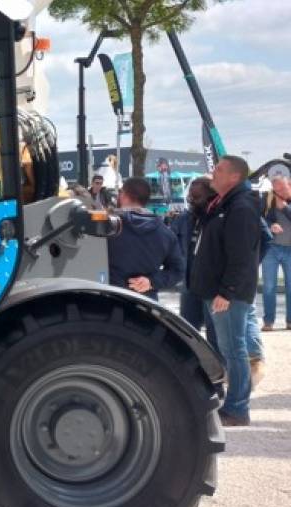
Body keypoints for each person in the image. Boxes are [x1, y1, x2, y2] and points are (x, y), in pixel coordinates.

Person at [190, 155, 261, 427]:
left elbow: (242, 254)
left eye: (218, 170)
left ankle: (237, 409)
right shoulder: (222, 202)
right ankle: (229, 402)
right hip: (215, 290)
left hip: (227, 294)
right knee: (225, 347)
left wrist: (227, 291)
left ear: (234, 177)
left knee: (234, 350)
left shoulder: (241, 206)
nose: (212, 173)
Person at [107, 177, 185, 301]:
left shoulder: (106, 226)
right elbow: (178, 271)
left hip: (107, 301)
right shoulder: (165, 233)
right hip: (145, 306)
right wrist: (151, 281)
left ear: (123, 195)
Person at [172, 177, 218, 346]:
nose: (192, 201)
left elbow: (265, 238)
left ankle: (221, 368)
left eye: (197, 197)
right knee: (187, 331)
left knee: (215, 333)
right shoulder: (185, 218)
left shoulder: (220, 217)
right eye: (191, 197)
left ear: (210, 196)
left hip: (211, 284)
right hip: (189, 282)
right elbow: (170, 243)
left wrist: (248, 269)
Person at [262, 176, 291, 331]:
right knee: (268, 287)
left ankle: (290, 321)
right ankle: (268, 321)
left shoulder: (285, 202)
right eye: (275, 188)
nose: (278, 191)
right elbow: (259, 219)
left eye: (281, 188)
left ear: (289, 185)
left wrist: (285, 208)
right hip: (271, 249)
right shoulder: (268, 199)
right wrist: (271, 224)